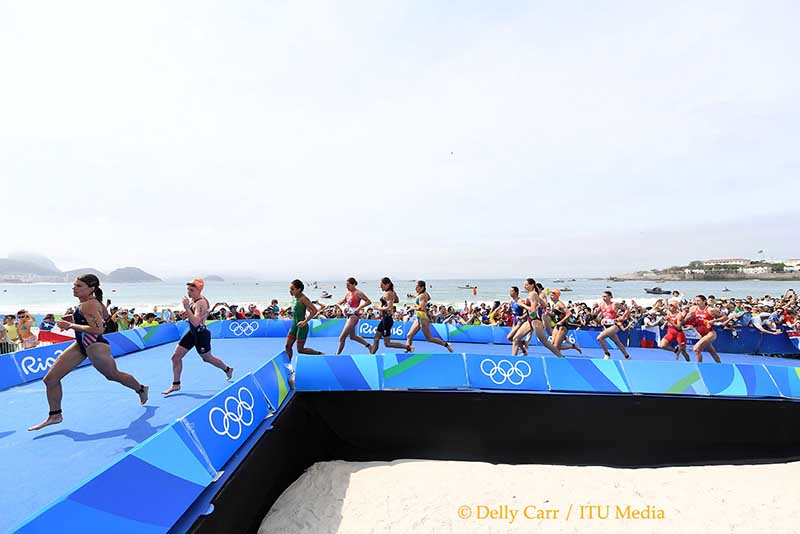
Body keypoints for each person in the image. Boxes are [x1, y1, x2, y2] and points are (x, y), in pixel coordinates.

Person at [28, 274, 148, 431]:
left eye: (79, 286)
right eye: (74, 285)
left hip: (95, 345)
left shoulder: (89, 304)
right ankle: (55, 415)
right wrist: (76, 318)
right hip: (80, 345)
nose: (74, 288)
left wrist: (71, 325)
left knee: (113, 375)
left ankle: (141, 388)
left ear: (91, 289)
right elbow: (104, 316)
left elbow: (99, 329)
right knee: (50, 379)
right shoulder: (88, 303)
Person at [162, 279, 234, 395]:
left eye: (192, 290)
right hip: (191, 333)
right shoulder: (194, 300)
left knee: (207, 358)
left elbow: (196, 322)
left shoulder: (201, 302)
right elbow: (194, 317)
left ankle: (227, 369)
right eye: (188, 290)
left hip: (201, 334)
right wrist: (186, 313)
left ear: (199, 290)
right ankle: (176, 384)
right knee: (175, 357)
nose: (189, 292)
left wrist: (186, 308)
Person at [513, 278, 562, 357]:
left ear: (532, 285)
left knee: (545, 343)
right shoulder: (533, 294)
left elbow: (532, 310)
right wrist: (538, 305)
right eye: (524, 285)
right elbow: (544, 305)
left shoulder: (533, 294)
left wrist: (522, 305)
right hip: (530, 319)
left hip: (535, 320)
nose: (525, 286)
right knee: (516, 338)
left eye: (527, 285)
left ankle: (561, 356)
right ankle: (518, 356)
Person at [404, 280, 454, 353]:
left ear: (422, 287)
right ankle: (408, 350)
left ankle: (446, 345)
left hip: (423, 318)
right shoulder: (424, 294)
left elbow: (420, 307)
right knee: (409, 336)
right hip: (419, 317)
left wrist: (412, 308)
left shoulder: (422, 295)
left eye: (417, 287)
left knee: (429, 338)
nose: (415, 289)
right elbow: (428, 298)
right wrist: (423, 302)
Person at [285, 279, 324, 360]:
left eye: (292, 289)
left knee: (300, 350)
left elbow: (314, 310)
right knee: (287, 346)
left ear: (299, 289)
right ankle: (288, 368)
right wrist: (285, 310)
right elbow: (295, 307)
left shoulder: (303, 298)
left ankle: (319, 354)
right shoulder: (295, 298)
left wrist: (305, 321)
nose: (290, 291)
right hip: (294, 326)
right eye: (290, 289)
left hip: (302, 327)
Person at [369, 277, 408, 353]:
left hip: (387, 320)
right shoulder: (390, 292)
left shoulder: (389, 293)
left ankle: (407, 347)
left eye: (382, 285)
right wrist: (393, 296)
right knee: (376, 338)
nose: (380, 286)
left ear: (388, 284)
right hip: (384, 319)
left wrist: (378, 308)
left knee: (387, 343)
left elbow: (390, 308)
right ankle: (372, 355)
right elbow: (397, 300)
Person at [335, 277, 372, 354]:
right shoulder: (348, 294)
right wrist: (343, 308)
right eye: (346, 285)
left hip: (354, 316)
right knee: (353, 337)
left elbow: (368, 301)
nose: (347, 287)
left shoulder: (358, 293)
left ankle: (337, 354)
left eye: (348, 285)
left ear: (354, 284)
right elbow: (340, 303)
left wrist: (359, 307)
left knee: (342, 337)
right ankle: (369, 346)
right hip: (349, 316)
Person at [684, 294, 722, 363]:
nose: (696, 302)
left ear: (704, 301)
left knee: (696, 349)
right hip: (700, 333)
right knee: (712, 351)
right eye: (695, 301)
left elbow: (724, 317)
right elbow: (686, 320)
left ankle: (699, 366)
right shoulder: (694, 309)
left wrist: (713, 321)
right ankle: (720, 365)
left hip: (710, 333)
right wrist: (687, 316)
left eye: (698, 301)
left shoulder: (710, 310)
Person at [596, 290, 632, 360]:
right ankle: (627, 356)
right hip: (606, 326)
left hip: (613, 326)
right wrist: (598, 316)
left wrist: (623, 316)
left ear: (610, 297)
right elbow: (597, 313)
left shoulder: (615, 304)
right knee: (617, 342)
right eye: (603, 296)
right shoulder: (601, 304)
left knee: (599, 338)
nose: (604, 298)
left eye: (605, 296)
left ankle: (607, 354)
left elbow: (626, 309)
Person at [548, 289, 582, 354]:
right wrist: (549, 314)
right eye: (550, 295)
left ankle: (573, 346)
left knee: (556, 347)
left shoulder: (560, 304)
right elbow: (556, 315)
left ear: (557, 296)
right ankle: (563, 354)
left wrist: (561, 321)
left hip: (563, 326)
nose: (550, 296)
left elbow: (569, 313)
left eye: (552, 295)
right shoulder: (554, 304)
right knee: (552, 345)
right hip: (557, 325)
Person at [507, 286, 529, 355]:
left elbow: (528, 310)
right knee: (514, 339)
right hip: (515, 321)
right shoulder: (511, 301)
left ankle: (515, 355)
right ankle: (524, 350)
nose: (510, 292)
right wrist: (506, 310)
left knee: (509, 337)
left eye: (512, 291)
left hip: (520, 322)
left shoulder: (520, 301)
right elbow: (510, 312)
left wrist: (522, 317)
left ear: (516, 292)